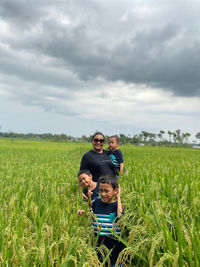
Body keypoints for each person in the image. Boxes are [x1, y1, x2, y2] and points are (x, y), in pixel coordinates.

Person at [78, 174, 125, 266]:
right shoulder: (96, 203)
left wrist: (118, 197)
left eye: (106, 191)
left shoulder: (116, 206)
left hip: (113, 245)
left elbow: (120, 218)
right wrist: (84, 213)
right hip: (98, 243)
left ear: (115, 191)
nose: (103, 194)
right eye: (101, 191)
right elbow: (93, 216)